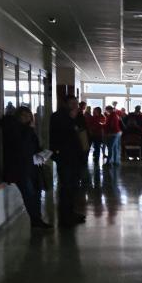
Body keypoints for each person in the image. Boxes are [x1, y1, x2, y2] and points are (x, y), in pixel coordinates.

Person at [3, 106, 50, 228]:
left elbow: (34, 146)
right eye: (24, 116)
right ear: (18, 117)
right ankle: (36, 220)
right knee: (29, 194)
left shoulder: (28, 130)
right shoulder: (14, 129)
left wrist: (41, 154)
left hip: (33, 166)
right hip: (21, 169)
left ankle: (37, 219)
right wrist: (29, 130)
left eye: (29, 116)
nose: (27, 118)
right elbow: (20, 147)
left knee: (37, 192)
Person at [48, 95, 86, 227]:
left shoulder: (78, 116)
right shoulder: (58, 116)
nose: (75, 105)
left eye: (76, 103)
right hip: (64, 157)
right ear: (65, 104)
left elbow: (83, 132)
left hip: (77, 157)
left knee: (74, 187)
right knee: (66, 187)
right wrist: (72, 120)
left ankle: (72, 212)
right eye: (72, 103)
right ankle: (64, 217)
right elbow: (62, 135)